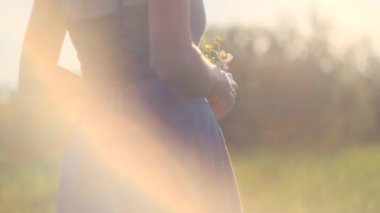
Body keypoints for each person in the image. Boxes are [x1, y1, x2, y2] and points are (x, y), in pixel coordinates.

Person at [19, 0, 243, 212]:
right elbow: (172, 60)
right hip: (171, 139)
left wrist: (104, 96)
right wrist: (222, 83)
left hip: (96, 146)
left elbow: (33, 79)